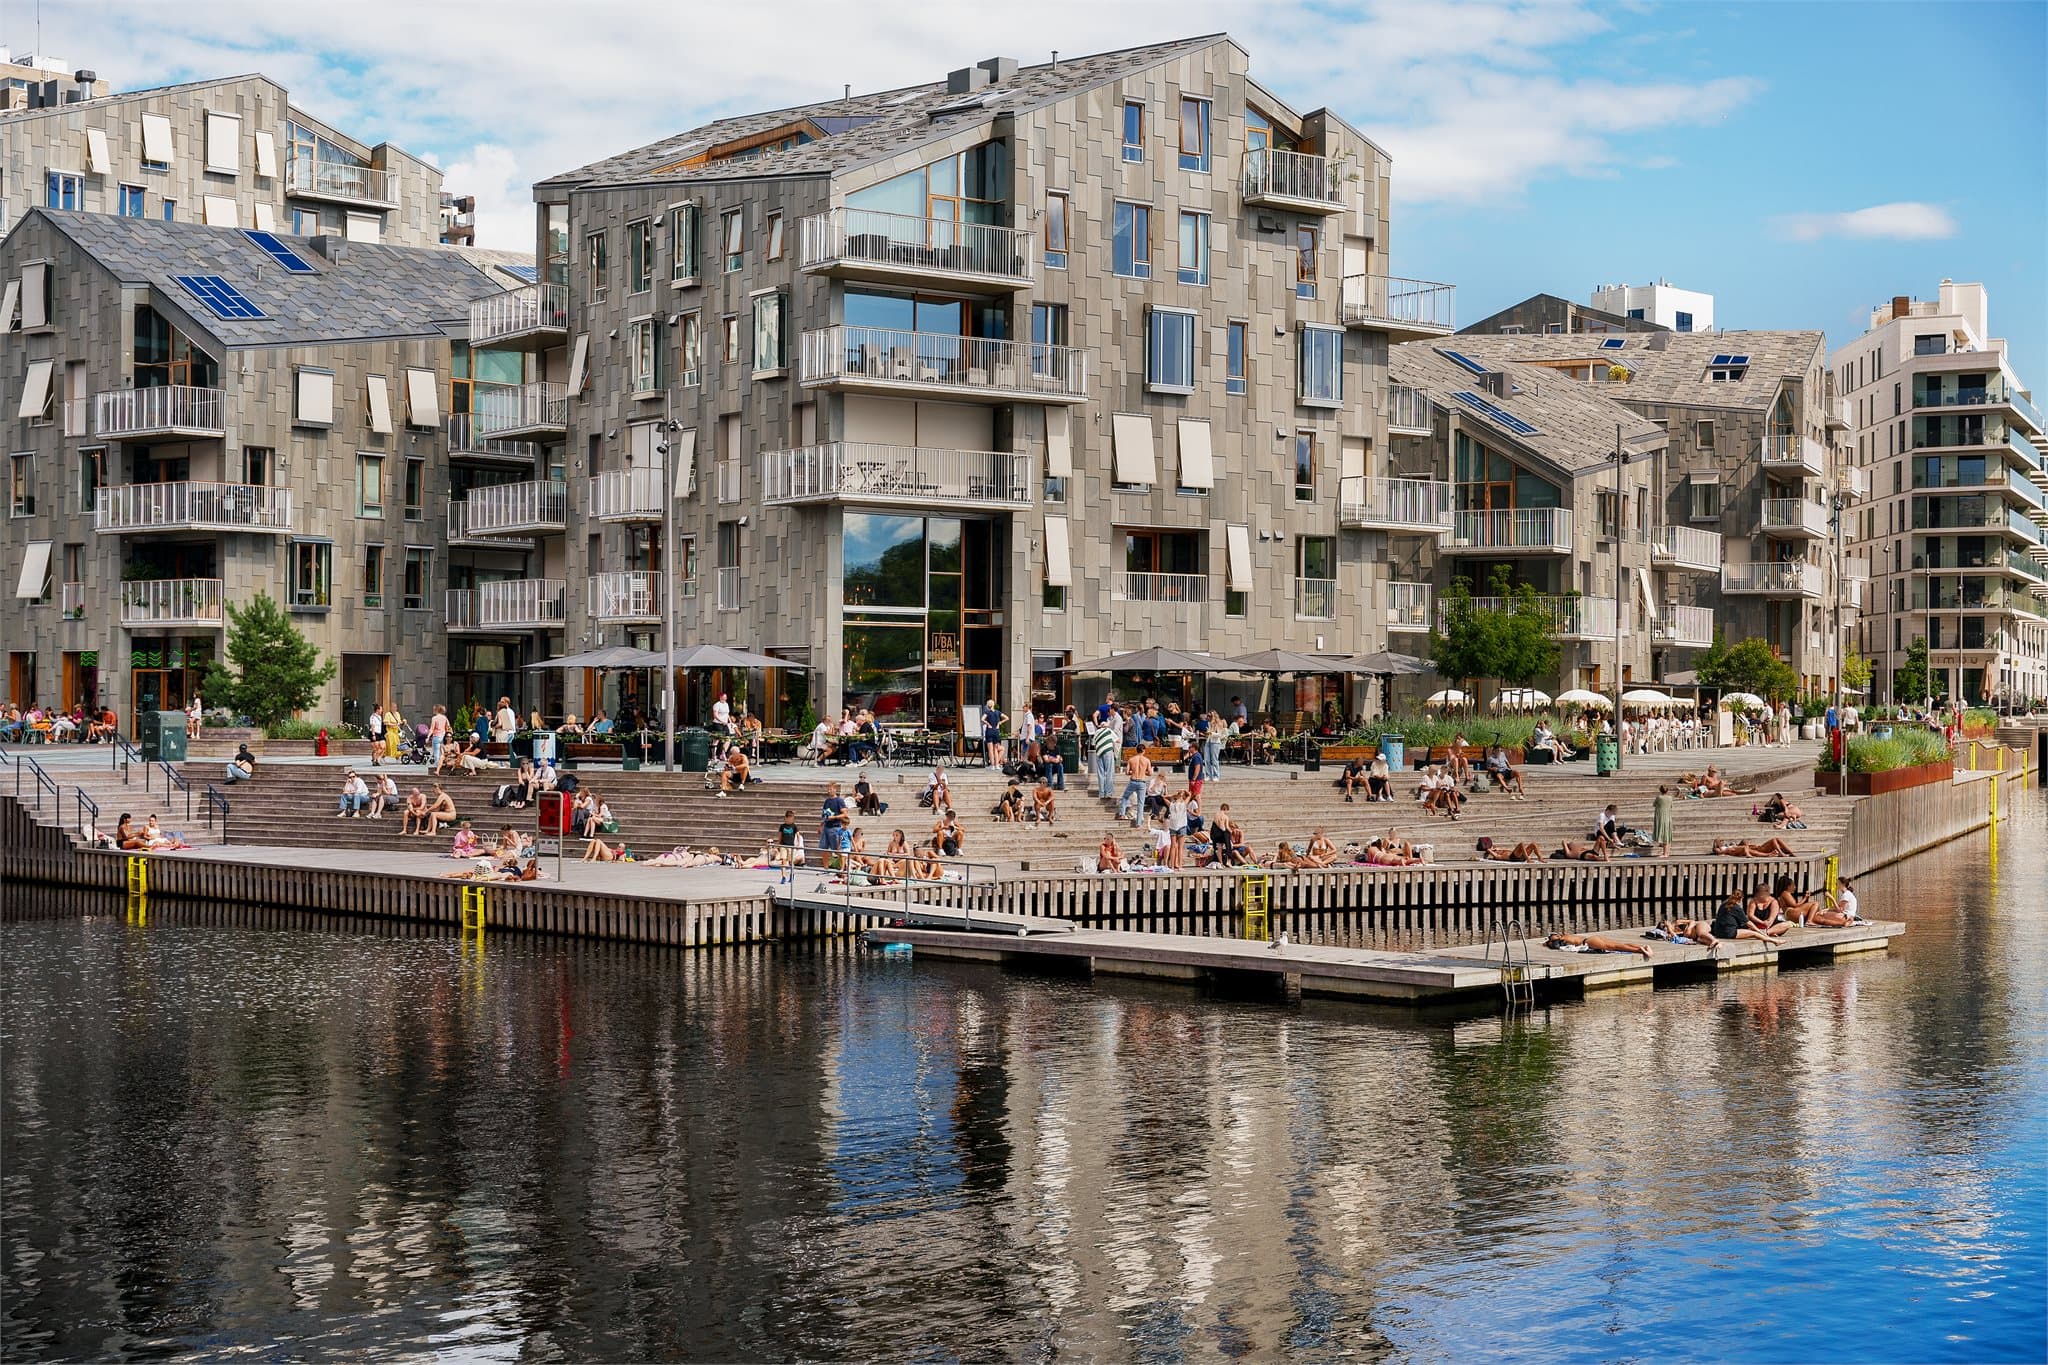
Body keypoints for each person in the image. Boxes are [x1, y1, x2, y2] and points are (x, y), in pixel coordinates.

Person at [1543, 932, 1652, 959]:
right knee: (1618, 945)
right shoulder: (1567, 935)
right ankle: (1641, 947)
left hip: (1589, 942)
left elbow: (1553, 945)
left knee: (1615, 947)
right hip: (1592, 938)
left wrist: (1546, 943)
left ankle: (1641, 951)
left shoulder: (1563, 938)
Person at [1118, 748, 1154, 825]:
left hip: (1133, 781)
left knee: (1125, 797)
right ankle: (1139, 822)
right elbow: (1150, 773)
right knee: (1141, 802)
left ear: (1136, 751)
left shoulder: (1131, 759)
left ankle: (1122, 814)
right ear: (1143, 750)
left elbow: (1127, 772)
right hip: (1142, 782)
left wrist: (1134, 771)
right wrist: (1143, 772)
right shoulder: (1146, 760)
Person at [819, 783, 852, 868]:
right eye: (828, 789)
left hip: (835, 827)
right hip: (826, 826)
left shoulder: (839, 801)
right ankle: (826, 868)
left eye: (831, 789)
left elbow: (845, 814)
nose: (829, 791)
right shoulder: (827, 801)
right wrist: (821, 825)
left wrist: (834, 817)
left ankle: (844, 867)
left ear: (835, 790)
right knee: (823, 848)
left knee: (837, 850)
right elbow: (824, 814)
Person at [1713, 836, 1797, 857]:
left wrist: (1744, 843)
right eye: (1720, 841)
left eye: (1722, 840)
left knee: (1776, 839)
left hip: (1757, 848)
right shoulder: (1720, 849)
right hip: (1757, 850)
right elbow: (1719, 850)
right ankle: (1781, 853)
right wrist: (1718, 844)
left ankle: (1790, 851)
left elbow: (1743, 843)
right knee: (1774, 840)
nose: (1722, 841)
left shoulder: (1730, 846)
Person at [427, 704, 451, 772]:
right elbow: (448, 727)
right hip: (443, 736)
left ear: (436, 710)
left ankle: (437, 765)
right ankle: (442, 763)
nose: (433, 710)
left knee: (436, 752)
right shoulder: (444, 717)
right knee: (442, 751)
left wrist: (428, 737)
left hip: (436, 736)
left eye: (434, 709)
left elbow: (432, 728)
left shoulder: (434, 718)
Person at [1652, 785, 1673, 857]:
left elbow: (1654, 804)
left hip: (1661, 816)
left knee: (1664, 834)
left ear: (1660, 790)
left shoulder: (1659, 797)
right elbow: (1671, 806)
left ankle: (1665, 853)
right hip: (1668, 816)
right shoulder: (1670, 798)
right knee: (1667, 833)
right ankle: (1667, 852)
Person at [1481, 839, 1547, 862]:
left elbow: (1495, 848)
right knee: (1521, 844)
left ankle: (1540, 858)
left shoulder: (1500, 850)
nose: (1495, 847)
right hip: (1514, 857)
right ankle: (1528, 859)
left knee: (1533, 844)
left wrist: (1497, 848)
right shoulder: (1497, 855)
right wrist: (1491, 850)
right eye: (1493, 847)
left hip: (1520, 856)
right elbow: (1488, 850)